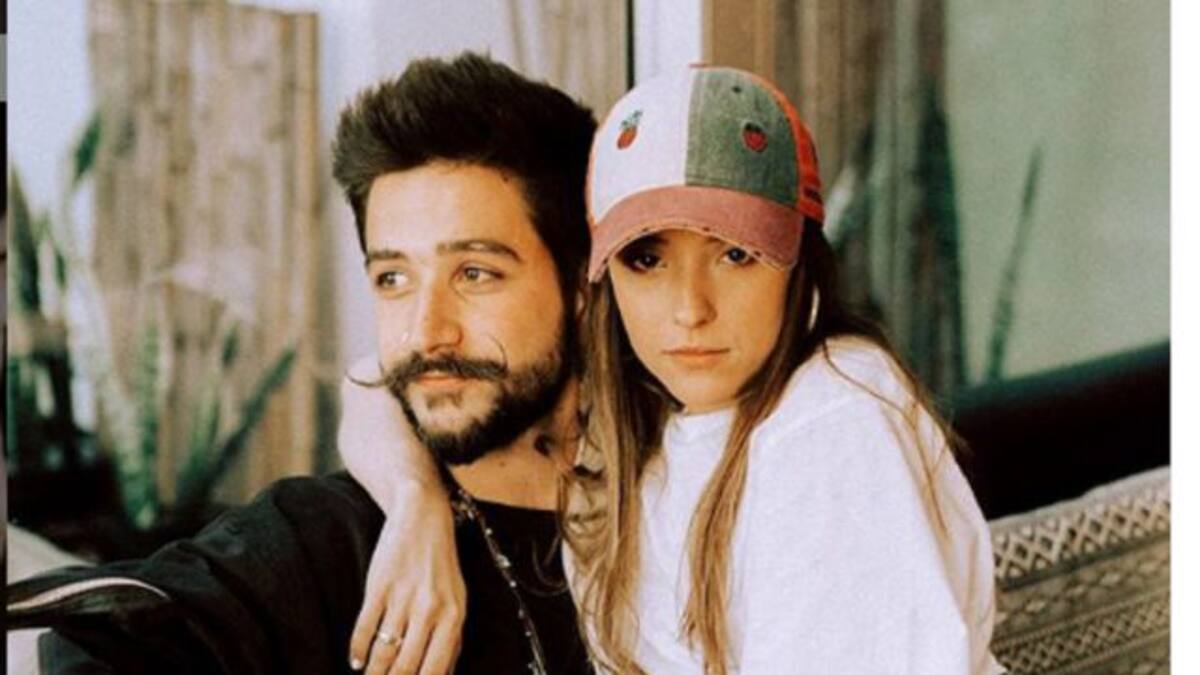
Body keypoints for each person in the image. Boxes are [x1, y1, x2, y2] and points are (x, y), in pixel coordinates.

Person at [341, 65, 1004, 674]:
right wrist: (415, 504)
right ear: (598, 283)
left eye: (735, 254)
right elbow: (383, 377)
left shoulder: (831, 426)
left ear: (800, 263)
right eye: (648, 260)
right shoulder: (646, 398)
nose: (690, 310)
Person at [6, 52, 596, 675]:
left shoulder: (656, 505)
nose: (425, 332)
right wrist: (412, 503)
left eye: (474, 273)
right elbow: (95, 647)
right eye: (393, 278)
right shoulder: (327, 542)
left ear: (582, 283)